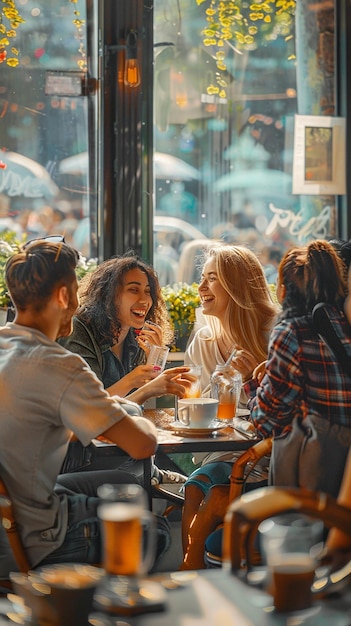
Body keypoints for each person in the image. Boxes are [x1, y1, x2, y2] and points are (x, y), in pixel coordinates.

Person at [0, 238, 169, 575]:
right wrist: (142, 414)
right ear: (64, 295)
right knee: (154, 529)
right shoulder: (61, 365)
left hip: (9, 513)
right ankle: (100, 606)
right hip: (32, 536)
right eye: (76, 290)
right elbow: (143, 444)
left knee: (128, 485)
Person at [192, 239, 351, 565]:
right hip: (342, 484)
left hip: (306, 487)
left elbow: (267, 421)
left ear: (282, 289)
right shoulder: (341, 325)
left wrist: (252, 378)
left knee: (217, 541)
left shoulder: (289, 330)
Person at [59, 253, 190, 484]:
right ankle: (154, 479)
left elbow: (148, 410)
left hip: (117, 444)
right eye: (133, 289)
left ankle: (154, 478)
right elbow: (89, 409)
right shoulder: (79, 330)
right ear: (109, 296)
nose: (145, 300)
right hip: (81, 453)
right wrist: (139, 384)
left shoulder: (134, 338)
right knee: (143, 471)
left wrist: (156, 356)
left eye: (148, 291)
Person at [182, 243, 278, 550]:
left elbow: (283, 412)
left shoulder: (276, 333)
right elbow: (194, 405)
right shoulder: (204, 341)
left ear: (236, 285)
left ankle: (192, 568)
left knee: (211, 493)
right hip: (219, 452)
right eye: (203, 277)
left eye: (212, 278)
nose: (201, 287)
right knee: (195, 489)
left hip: (266, 455)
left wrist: (251, 380)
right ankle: (191, 568)